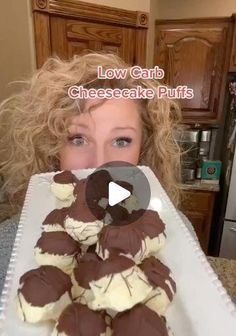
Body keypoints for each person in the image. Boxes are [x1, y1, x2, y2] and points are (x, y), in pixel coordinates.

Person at [0, 52, 194, 294]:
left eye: (121, 141)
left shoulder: (176, 233)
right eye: (78, 139)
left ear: (143, 151)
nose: (100, 164)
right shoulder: (10, 243)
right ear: (52, 146)